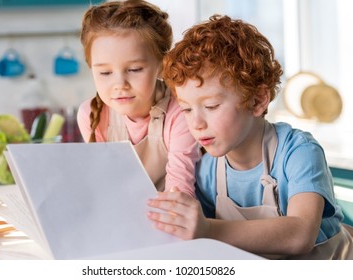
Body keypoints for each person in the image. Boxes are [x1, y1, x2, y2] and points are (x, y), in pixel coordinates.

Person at [147, 15, 353, 259]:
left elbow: (300, 234)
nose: (196, 123)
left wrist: (208, 229)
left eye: (211, 106)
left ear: (257, 100)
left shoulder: (299, 151)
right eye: (187, 109)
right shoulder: (207, 171)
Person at [77, 0, 200, 196]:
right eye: (105, 73)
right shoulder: (91, 115)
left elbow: (180, 193)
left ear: (161, 65)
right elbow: (106, 188)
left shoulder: (181, 112)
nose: (120, 84)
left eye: (134, 70)